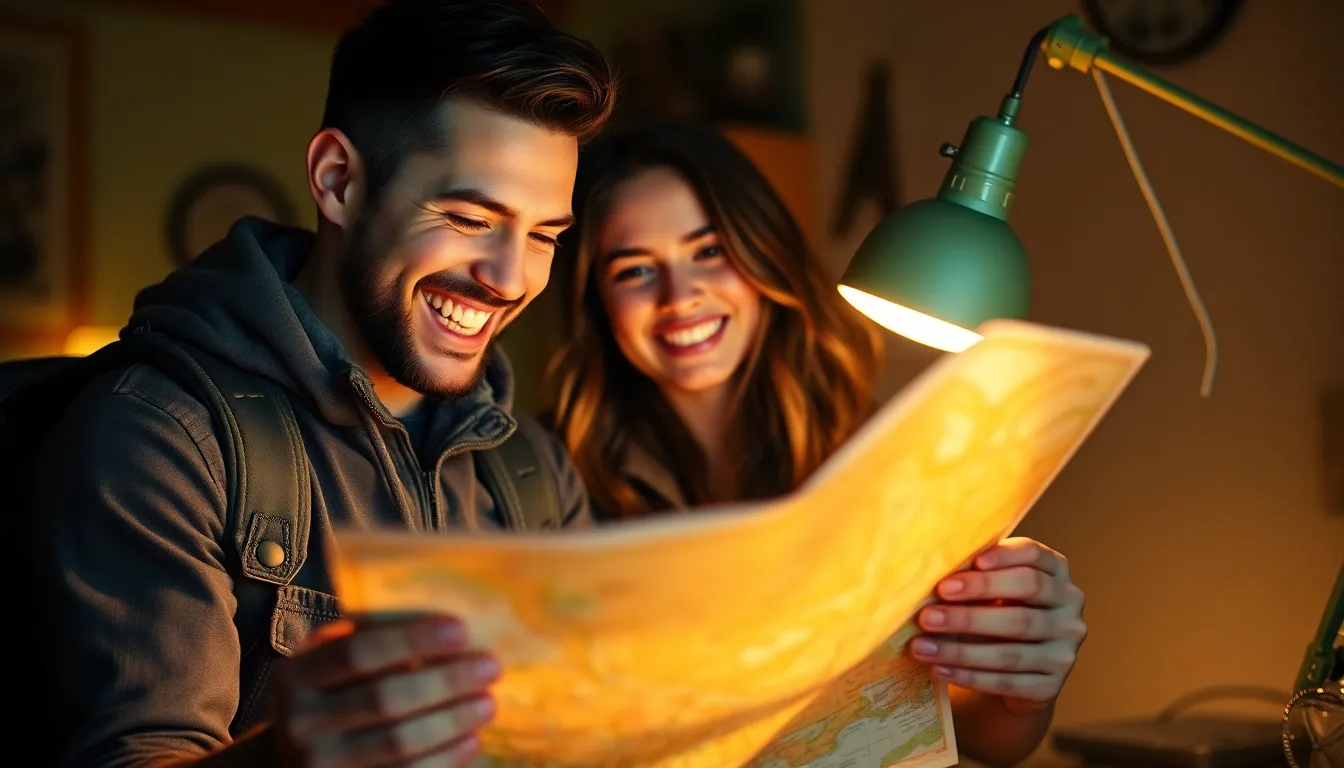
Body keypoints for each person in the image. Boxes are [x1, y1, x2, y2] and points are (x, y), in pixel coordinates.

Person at [30, 2, 616, 766]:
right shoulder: (159, 434)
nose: (511, 278)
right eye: (471, 216)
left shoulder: (535, 473)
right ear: (339, 181)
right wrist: (284, 756)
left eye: (544, 235)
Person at [546, 123, 1089, 767]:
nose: (680, 295)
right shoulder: (551, 479)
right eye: (635, 269)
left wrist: (1021, 682)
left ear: (762, 254)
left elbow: (989, 742)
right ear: (596, 300)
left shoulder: (889, 460)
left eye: (710, 250)